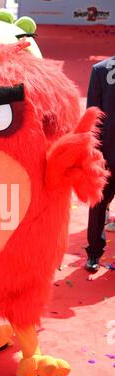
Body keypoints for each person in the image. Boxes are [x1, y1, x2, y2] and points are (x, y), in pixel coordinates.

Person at [85, 57, 115, 272]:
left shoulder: (99, 69)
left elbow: (92, 117)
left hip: (106, 151)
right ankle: (94, 253)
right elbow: (93, 117)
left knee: (98, 205)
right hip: (106, 153)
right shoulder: (100, 69)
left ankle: (93, 255)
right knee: (98, 204)